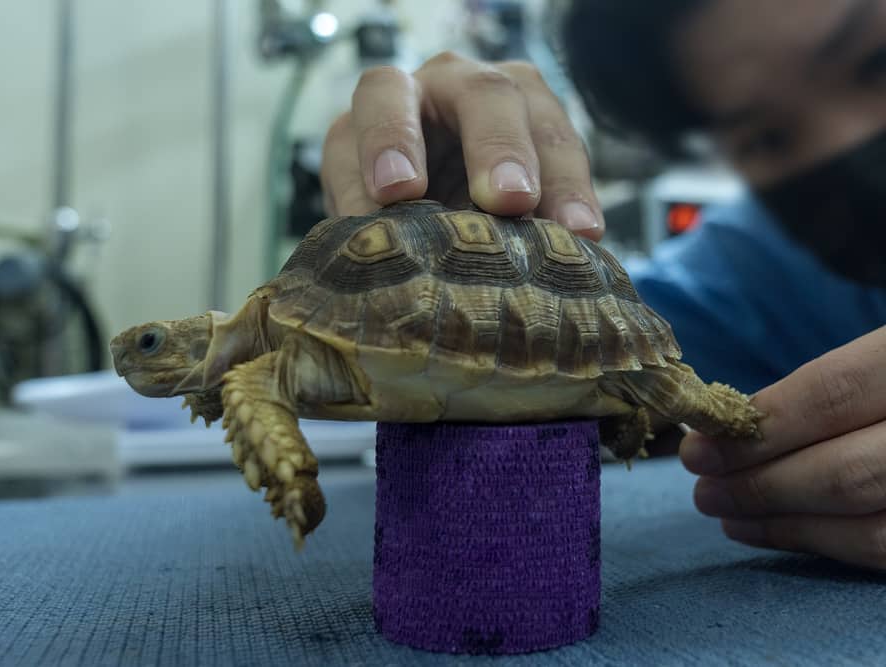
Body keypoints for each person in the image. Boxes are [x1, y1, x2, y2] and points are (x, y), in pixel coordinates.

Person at [318, 0, 886, 570]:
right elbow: (572, 343)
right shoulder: (760, 274)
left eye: (878, 63)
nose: (846, 143)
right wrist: (442, 255)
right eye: (767, 136)